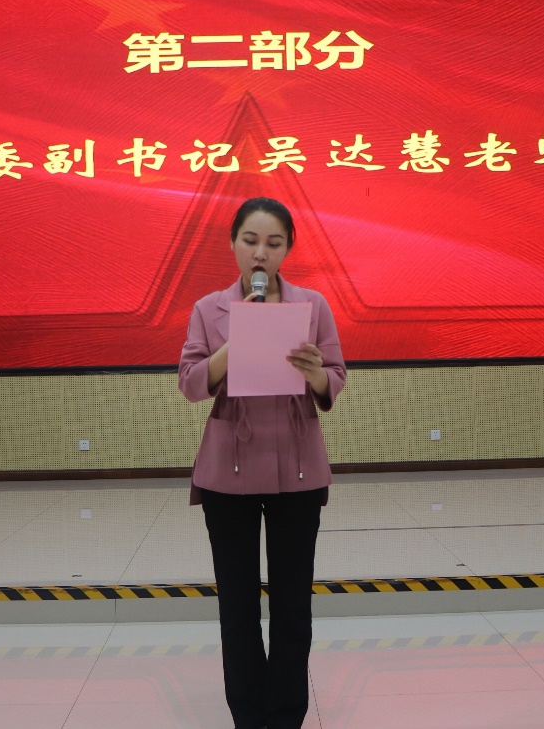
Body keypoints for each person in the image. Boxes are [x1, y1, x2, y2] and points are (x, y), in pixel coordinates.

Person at [178, 196, 347, 729]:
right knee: (238, 605)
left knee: (293, 604)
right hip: (228, 473)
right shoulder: (209, 309)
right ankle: (248, 716)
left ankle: (286, 715)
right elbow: (190, 383)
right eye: (250, 241)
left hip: (297, 470)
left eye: (273, 243)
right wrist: (235, 345)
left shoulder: (312, 306)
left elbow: (335, 376)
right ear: (233, 244)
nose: (260, 253)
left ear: (287, 249)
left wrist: (316, 374)